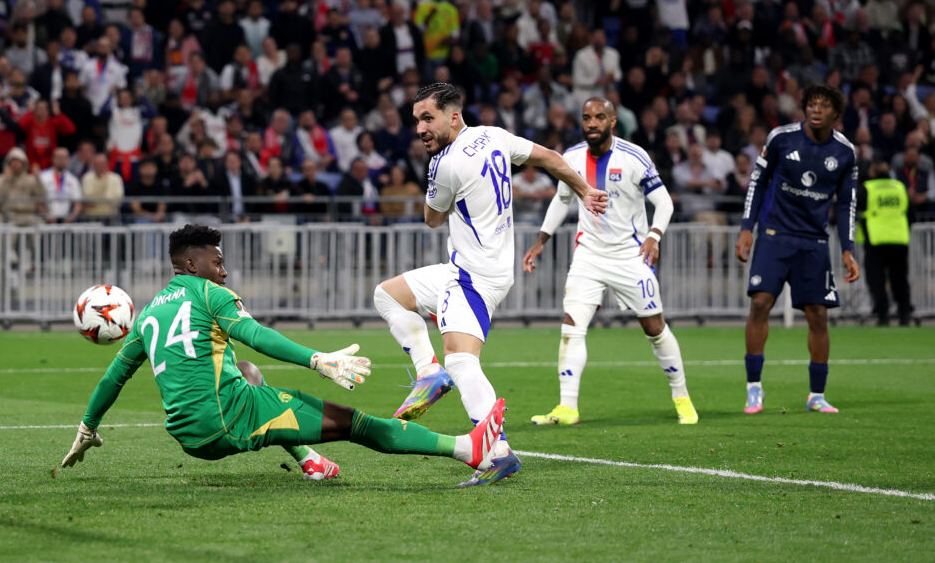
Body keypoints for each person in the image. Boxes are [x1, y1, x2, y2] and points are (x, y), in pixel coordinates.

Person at [60, 224, 505, 486]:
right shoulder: (211, 296)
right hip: (229, 419)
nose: (225, 269)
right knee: (358, 424)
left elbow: (113, 379)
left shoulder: (148, 315)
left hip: (190, 437)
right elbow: (257, 334)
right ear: (193, 265)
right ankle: (469, 449)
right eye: (217, 261)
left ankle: (309, 460)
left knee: (248, 372)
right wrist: (318, 359)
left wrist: (86, 428)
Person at [372, 83, 608, 486]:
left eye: (428, 118)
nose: (420, 129)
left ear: (453, 116)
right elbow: (550, 157)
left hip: (474, 275)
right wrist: (585, 190)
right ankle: (428, 373)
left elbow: (431, 219)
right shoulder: (494, 135)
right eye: (417, 121)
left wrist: (434, 183)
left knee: (462, 361)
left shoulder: (443, 165)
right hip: (470, 268)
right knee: (388, 294)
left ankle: (496, 452)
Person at [522, 98, 698, 426]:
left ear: (612, 121)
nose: (592, 123)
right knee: (571, 328)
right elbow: (561, 202)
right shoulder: (571, 158)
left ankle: (682, 396)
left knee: (655, 329)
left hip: (631, 255)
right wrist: (540, 242)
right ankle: (568, 407)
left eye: (599, 117)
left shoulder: (634, 157)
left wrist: (654, 236)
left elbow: (663, 202)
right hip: (588, 254)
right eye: (586, 117)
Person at [736, 84, 859, 415]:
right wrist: (747, 229)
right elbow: (758, 182)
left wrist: (847, 249)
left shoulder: (845, 152)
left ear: (836, 112)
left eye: (824, 105)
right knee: (760, 303)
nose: (816, 110)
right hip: (775, 235)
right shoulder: (781, 138)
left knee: (818, 315)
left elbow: (847, 203)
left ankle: (816, 395)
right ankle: (754, 388)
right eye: (811, 104)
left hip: (814, 241)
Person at [859, 162, 912, 326]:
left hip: (876, 240)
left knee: (876, 280)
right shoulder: (899, 187)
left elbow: (855, 209)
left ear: (872, 173)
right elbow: (911, 212)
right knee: (900, 279)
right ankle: (904, 315)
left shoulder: (867, 188)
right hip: (899, 239)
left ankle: (883, 315)